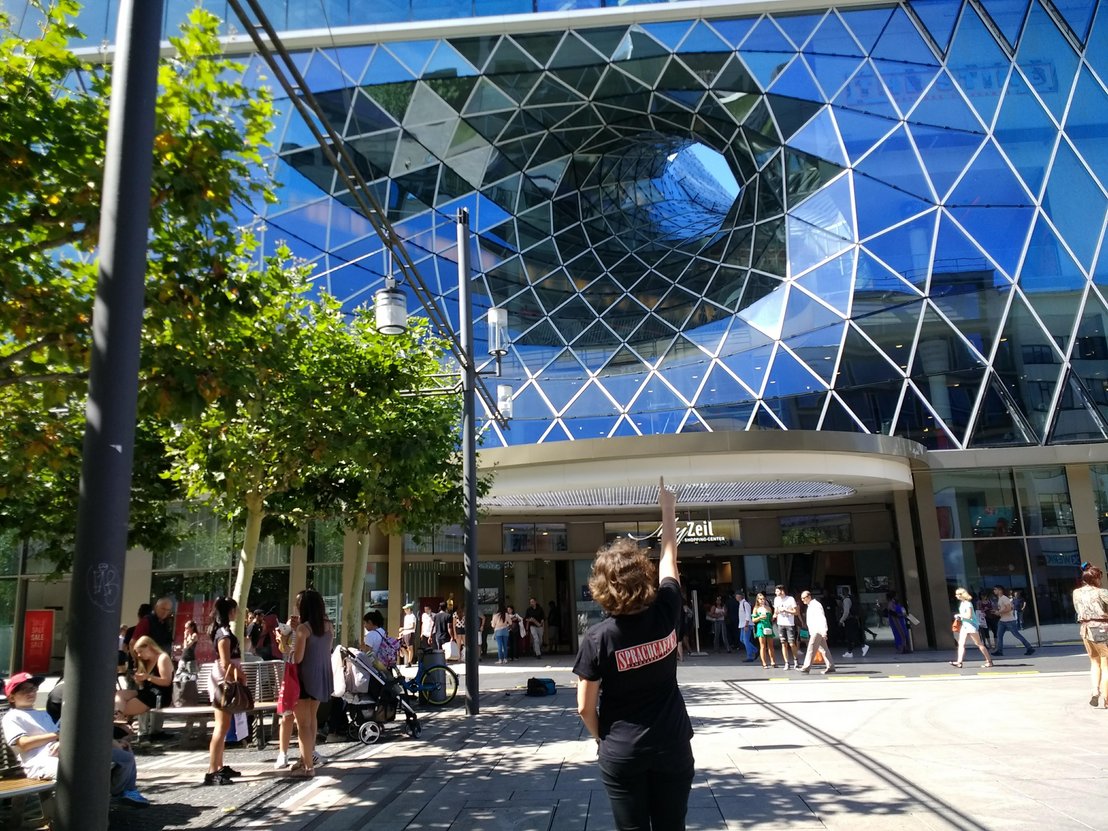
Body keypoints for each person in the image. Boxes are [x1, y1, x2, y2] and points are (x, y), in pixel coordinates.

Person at [573, 477, 694, 831]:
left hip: (622, 751)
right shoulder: (666, 611)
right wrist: (668, 510)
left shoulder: (598, 639)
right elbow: (670, 558)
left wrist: (602, 738)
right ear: (645, 576)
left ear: (600, 586)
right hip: (672, 743)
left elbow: (583, 706)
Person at [2, 672, 149, 807]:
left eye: (33, 689)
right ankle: (86, 812)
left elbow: (61, 735)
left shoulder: (42, 715)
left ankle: (122, 793)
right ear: (12, 697)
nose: (31, 693)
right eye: (25, 690)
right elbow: (24, 744)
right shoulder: (12, 717)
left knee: (124, 756)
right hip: (40, 762)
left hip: (64, 752)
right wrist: (58, 736)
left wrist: (63, 741)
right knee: (82, 770)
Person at [290, 588, 333, 778]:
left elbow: (297, 658)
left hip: (303, 678)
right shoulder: (328, 626)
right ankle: (307, 756)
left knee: (303, 724)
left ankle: (307, 766)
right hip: (322, 676)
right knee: (312, 719)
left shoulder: (303, 629)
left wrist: (287, 641)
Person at [204, 598, 245, 785]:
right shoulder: (223, 633)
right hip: (223, 681)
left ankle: (219, 765)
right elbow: (225, 662)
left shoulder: (223, 631)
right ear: (230, 611)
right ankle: (213, 770)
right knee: (221, 726)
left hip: (224, 679)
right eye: (235, 610)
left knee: (224, 725)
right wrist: (239, 675)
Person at [274, 592, 302, 770]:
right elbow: (283, 649)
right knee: (287, 714)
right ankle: (283, 753)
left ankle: (307, 752)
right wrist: (284, 635)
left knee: (303, 716)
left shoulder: (309, 625)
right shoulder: (291, 624)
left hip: (303, 670)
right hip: (290, 670)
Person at [1072, 564, 1108, 707]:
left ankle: (1095, 691)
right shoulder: (1101, 592)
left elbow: (1077, 609)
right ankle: (1106, 697)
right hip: (1102, 628)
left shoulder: (1076, 593)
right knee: (1106, 664)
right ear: (1096, 578)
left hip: (1085, 629)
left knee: (1094, 662)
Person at [116, 636, 174, 717]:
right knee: (120, 694)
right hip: (147, 693)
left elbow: (167, 682)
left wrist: (147, 677)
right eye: (137, 653)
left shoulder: (162, 658)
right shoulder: (145, 662)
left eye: (140, 651)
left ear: (149, 647)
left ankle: (120, 720)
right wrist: (139, 680)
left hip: (159, 695)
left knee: (123, 708)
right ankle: (119, 719)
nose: (139, 655)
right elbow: (144, 684)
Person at [950, 587, 993, 668]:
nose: (956, 596)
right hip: (965, 625)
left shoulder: (968, 604)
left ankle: (989, 661)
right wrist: (960, 617)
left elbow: (969, 616)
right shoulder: (962, 603)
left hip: (971, 626)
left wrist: (959, 615)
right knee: (961, 644)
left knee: (979, 644)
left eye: (957, 594)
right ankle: (959, 662)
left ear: (961, 595)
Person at [798, 591, 835, 674]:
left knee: (811, 648)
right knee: (824, 649)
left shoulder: (815, 605)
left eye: (804, 598)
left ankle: (806, 667)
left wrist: (824, 631)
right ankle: (830, 666)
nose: (803, 600)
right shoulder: (811, 606)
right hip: (816, 630)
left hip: (817, 630)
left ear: (809, 596)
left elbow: (821, 618)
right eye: (802, 598)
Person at [991, 585, 1034, 657]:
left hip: (1009, 621)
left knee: (1016, 635)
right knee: (999, 635)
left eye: (995, 589)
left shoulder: (1004, 598)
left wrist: (999, 612)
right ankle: (999, 651)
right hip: (1003, 620)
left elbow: (1009, 609)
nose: (994, 591)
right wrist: (997, 612)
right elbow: (1005, 609)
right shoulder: (1000, 598)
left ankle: (1029, 648)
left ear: (1000, 590)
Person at [773, 585, 800, 669]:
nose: (776, 593)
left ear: (782, 591)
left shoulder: (790, 599)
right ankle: (786, 662)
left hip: (789, 623)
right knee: (783, 643)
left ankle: (796, 660)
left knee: (791, 643)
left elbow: (796, 612)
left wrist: (786, 610)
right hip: (780, 623)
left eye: (777, 591)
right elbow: (775, 611)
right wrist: (775, 614)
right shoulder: (776, 599)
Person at [840, 589, 868, 658]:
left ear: (845, 592)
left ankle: (863, 646)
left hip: (849, 620)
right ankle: (849, 652)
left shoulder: (846, 600)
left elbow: (846, 612)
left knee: (852, 636)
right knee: (850, 636)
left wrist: (841, 620)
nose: (842, 593)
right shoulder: (851, 599)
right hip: (853, 619)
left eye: (843, 592)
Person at [752, 592, 777, 668]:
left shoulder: (768, 608)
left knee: (771, 646)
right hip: (760, 626)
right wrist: (759, 618)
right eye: (760, 599)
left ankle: (773, 661)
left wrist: (774, 617)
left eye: (763, 599)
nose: (762, 600)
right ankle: (764, 663)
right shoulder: (756, 608)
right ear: (757, 600)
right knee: (762, 646)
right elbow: (753, 620)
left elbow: (771, 619)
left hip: (768, 626)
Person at [399, 602, 417, 666]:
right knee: (402, 646)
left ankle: (409, 662)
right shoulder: (406, 616)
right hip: (405, 633)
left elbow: (413, 626)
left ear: (409, 609)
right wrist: (402, 632)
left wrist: (403, 629)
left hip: (410, 633)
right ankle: (407, 659)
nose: (404, 610)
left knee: (410, 648)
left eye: (406, 609)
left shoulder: (412, 616)